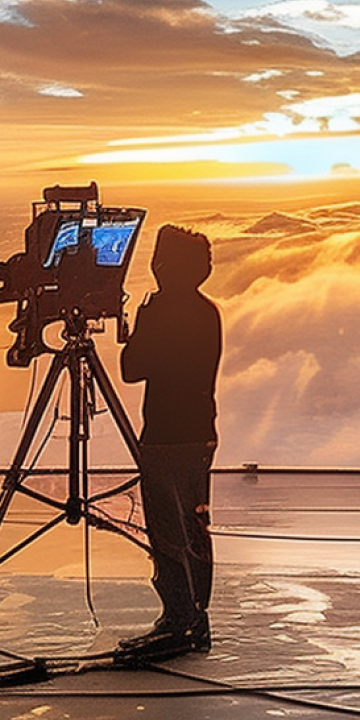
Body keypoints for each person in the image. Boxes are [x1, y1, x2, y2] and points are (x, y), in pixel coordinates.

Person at [118, 224, 222, 658]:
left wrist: (139, 324)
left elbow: (131, 368)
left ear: (163, 266)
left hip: (165, 435)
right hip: (200, 433)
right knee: (195, 527)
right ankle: (195, 618)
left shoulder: (161, 311)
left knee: (167, 531)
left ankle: (177, 620)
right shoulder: (207, 310)